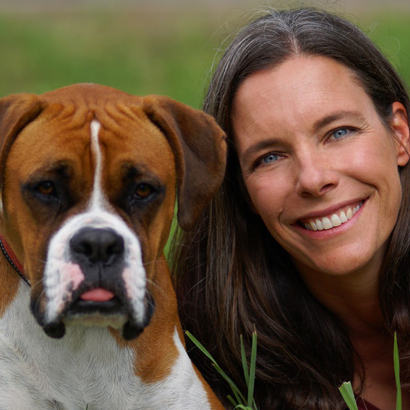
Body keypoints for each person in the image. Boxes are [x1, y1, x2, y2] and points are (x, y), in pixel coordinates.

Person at [170, 7, 410, 410]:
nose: (313, 179)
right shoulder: (203, 349)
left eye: (338, 132)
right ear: (243, 190)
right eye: (270, 157)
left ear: (399, 135)